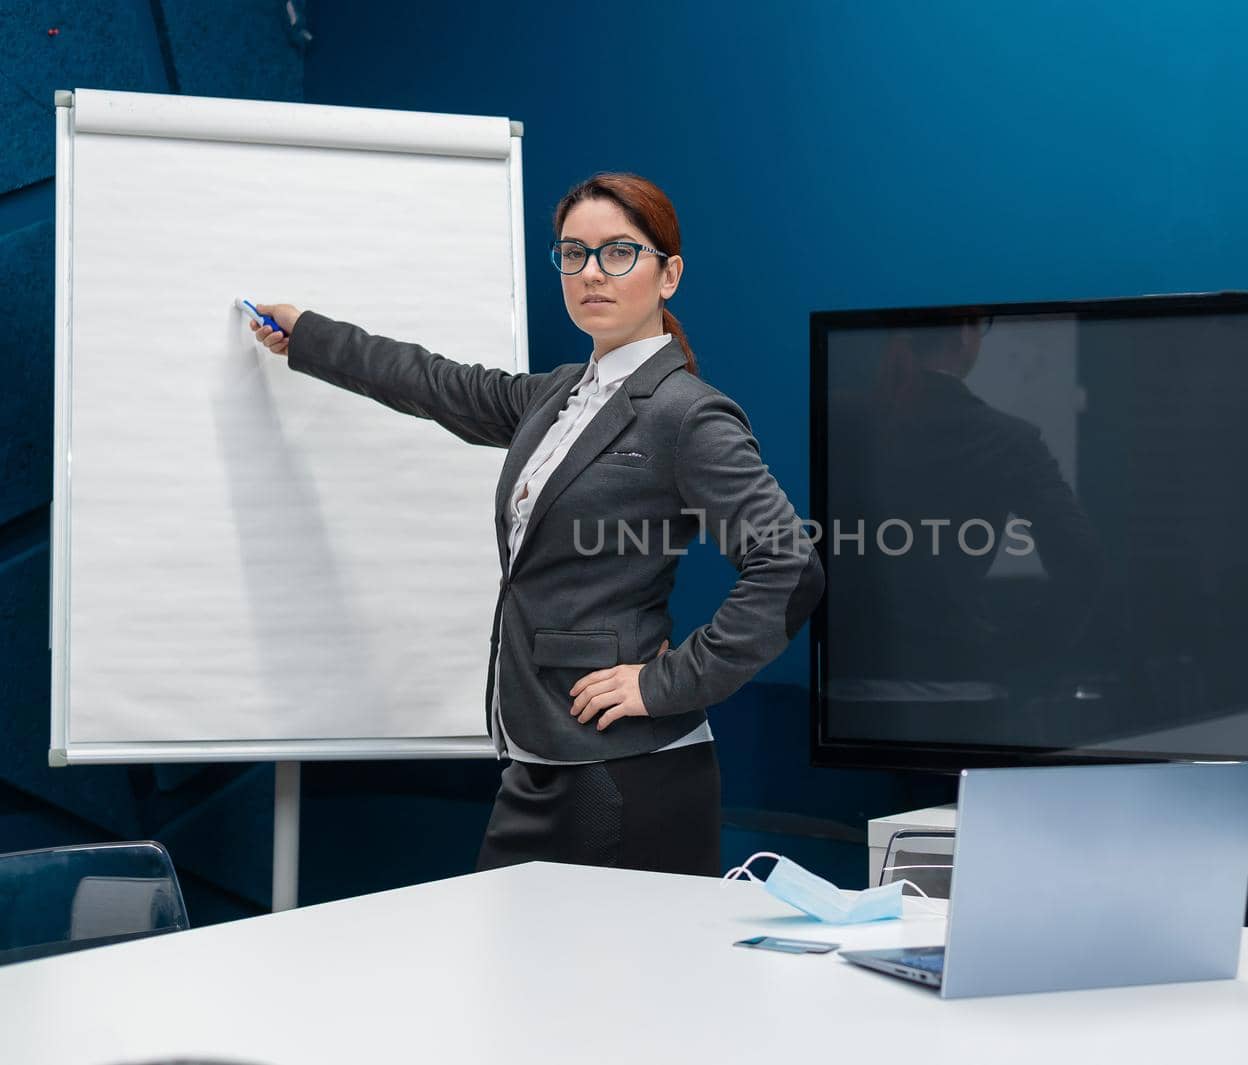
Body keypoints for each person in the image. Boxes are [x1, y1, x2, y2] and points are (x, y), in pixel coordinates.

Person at [249, 172, 823, 876]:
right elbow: (432, 381)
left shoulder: (687, 413)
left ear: (668, 274)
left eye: (618, 252)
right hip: (538, 756)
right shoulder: (556, 396)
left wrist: (662, 683)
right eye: (573, 254)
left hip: (626, 771)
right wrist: (308, 334)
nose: (592, 273)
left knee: (620, 988)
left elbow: (790, 567)